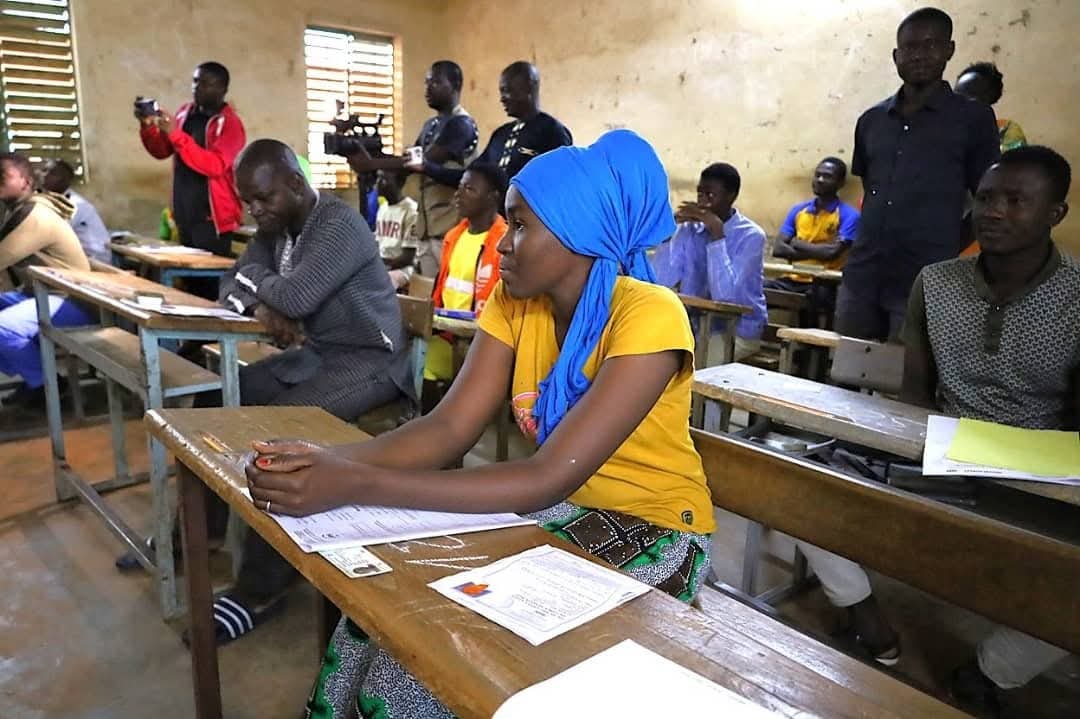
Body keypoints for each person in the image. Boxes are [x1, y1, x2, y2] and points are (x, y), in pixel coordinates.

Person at [243, 130, 715, 717]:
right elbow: (447, 430)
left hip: (652, 530)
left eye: (520, 226)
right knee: (375, 622)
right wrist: (328, 460)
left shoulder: (648, 314)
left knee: (423, 661)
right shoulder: (517, 302)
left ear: (577, 233)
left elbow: (545, 476)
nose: (503, 246)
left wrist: (351, 483)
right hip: (556, 515)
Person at [187, 140, 415, 640]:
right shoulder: (276, 227)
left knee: (279, 433)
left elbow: (297, 295)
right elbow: (231, 282)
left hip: (371, 361)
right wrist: (263, 306)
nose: (254, 210)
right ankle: (197, 534)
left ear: (295, 184)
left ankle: (260, 589)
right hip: (319, 353)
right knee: (214, 395)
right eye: (247, 200)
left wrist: (262, 287)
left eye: (263, 198)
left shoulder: (336, 224)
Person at [901, 146, 1076, 717]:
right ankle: (860, 613)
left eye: (1016, 201)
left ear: (1056, 213)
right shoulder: (936, 283)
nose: (994, 211)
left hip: (1040, 480)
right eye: (985, 198)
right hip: (943, 459)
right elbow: (913, 397)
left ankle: (991, 670)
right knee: (785, 471)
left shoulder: (1077, 296)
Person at [837, 7, 999, 341]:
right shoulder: (871, 120)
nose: (919, 55)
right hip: (864, 272)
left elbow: (988, 196)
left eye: (931, 45)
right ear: (896, 56)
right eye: (910, 48)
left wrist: (949, 245)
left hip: (927, 275)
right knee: (846, 371)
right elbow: (873, 187)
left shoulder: (973, 119)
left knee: (907, 377)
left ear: (950, 50)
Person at [347, 61, 479, 277]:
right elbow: (406, 163)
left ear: (455, 85)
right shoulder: (431, 125)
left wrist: (373, 163)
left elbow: (424, 160)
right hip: (427, 226)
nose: (428, 88)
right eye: (427, 82)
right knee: (428, 294)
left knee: (452, 294)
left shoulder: (461, 124)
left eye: (436, 82)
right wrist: (366, 154)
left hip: (451, 222)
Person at [0, 153, 91, 409]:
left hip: (75, 300)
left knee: (3, 328)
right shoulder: (17, 209)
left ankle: (47, 386)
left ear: (27, 181)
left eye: (2, 175)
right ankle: (34, 375)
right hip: (41, 293)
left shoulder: (35, 215)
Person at [653, 162, 767, 361]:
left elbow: (724, 298)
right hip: (695, 326)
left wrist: (717, 236)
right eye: (700, 194)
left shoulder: (751, 236)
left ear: (731, 197)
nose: (703, 202)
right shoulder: (690, 228)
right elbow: (662, 281)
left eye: (711, 195)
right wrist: (667, 234)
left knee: (700, 366)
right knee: (650, 353)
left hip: (737, 330)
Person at [137, 61, 246, 266]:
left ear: (222, 88)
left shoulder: (230, 124)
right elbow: (162, 151)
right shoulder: (184, 113)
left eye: (206, 83)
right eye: (195, 81)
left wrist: (176, 135)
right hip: (184, 214)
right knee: (187, 282)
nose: (198, 87)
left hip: (212, 219)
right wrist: (148, 127)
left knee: (208, 283)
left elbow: (215, 165)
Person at [424, 162, 508, 389]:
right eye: (460, 187)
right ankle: (429, 421)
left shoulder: (505, 242)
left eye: (469, 189)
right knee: (415, 356)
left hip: (483, 341)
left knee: (430, 364)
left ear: (492, 197)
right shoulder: (454, 235)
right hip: (448, 334)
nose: (458, 195)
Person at [448, 61, 572, 183]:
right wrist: (433, 169)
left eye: (507, 90)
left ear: (528, 88)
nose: (502, 99)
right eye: (501, 92)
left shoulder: (552, 131)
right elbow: (473, 174)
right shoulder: (500, 134)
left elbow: (560, 180)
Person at [767, 157, 859, 315]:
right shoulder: (799, 210)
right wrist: (819, 251)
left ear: (840, 183)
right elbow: (778, 249)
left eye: (827, 176)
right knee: (756, 289)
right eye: (818, 175)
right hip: (793, 278)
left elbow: (831, 254)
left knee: (819, 299)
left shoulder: (849, 215)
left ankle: (809, 338)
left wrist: (797, 243)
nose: (820, 180)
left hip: (825, 282)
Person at [38, 159, 111, 262]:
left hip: (95, 258)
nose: (43, 175)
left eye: (51, 173)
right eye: (44, 171)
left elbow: (51, 234)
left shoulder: (75, 204)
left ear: (63, 180)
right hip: (79, 256)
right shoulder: (55, 199)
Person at [955, 62, 1027, 154]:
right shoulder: (942, 126)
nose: (961, 103)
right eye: (957, 96)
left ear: (990, 99)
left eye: (971, 99)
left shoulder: (1006, 131)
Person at [373, 169, 418, 290]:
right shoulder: (383, 208)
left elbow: (408, 257)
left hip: (403, 269)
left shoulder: (411, 210)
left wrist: (381, 268)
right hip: (383, 264)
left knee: (381, 285)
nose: (378, 183)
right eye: (378, 178)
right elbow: (377, 245)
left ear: (399, 183)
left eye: (384, 179)